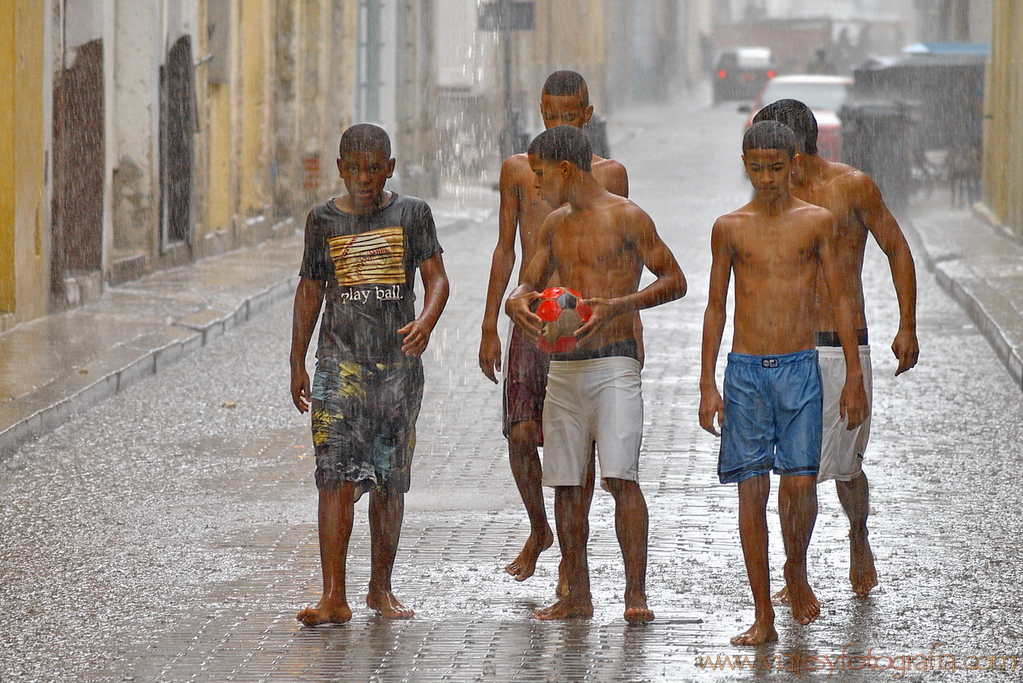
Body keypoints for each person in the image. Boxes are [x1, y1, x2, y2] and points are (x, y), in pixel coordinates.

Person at [505, 125, 686, 624]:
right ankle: (576, 593)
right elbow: (530, 280)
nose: (536, 187)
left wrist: (620, 306)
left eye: (541, 176)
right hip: (563, 366)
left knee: (620, 476)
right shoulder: (555, 226)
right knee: (566, 482)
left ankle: (635, 595)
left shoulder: (627, 216)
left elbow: (676, 280)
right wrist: (515, 301)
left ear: (566, 170)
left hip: (615, 362)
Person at [699, 120, 869, 645]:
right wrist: (707, 382)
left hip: (801, 367)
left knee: (798, 484)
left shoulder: (817, 222)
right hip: (747, 371)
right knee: (752, 493)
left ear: (794, 164)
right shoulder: (729, 227)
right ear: (745, 165)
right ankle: (762, 615)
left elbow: (841, 298)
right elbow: (715, 306)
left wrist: (853, 376)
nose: (767, 178)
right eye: (757, 168)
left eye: (777, 167)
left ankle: (795, 567)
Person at [753, 99, 918, 598]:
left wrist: (907, 325)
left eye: (779, 160)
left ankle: (858, 533)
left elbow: (898, 249)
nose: (769, 172)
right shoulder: (770, 197)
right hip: (785, 348)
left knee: (845, 471)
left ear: (803, 151)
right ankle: (795, 572)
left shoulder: (851, 187)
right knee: (793, 471)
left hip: (841, 346)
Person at [289, 123, 449, 626]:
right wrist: (297, 359)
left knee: (388, 482)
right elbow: (310, 290)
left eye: (374, 169)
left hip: (397, 368)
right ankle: (333, 595)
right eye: (354, 169)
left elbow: (437, 278)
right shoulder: (323, 221)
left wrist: (425, 322)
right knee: (333, 477)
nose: (364, 179)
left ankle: (380, 589)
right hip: (338, 365)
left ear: (390, 168)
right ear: (340, 168)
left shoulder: (411, 214)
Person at [478, 70, 631, 586]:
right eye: (550, 116)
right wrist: (489, 324)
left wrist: (628, 332)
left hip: (583, 323)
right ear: (539, 113)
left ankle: (573, 559)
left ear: (588, 115)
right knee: (522, 432)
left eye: (570, 115)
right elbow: (506, 247)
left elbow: (625, 258)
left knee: (576, 449)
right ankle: (539, 528)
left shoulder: (610, 175)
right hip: (531, 314)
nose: (560, 123)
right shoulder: (521, 172)